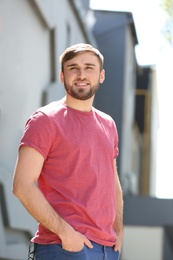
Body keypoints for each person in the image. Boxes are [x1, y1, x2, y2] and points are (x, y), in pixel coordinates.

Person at [12, 43, 123, 260]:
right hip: (64, 248)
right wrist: (66, 234)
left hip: (107, 250)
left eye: (89, 67)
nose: (81, 74)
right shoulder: (45, 120)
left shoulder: (108, 124)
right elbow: (22, 185)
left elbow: (114, 183)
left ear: (101, 75)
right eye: (73, 68)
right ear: (62, 76)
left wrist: (118, 231)